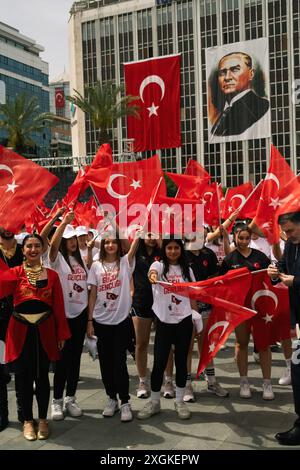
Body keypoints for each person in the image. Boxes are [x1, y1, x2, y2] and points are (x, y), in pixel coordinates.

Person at [0, 234, 70, 441]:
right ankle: (28, 421)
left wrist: (62, 333)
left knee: (41, 377)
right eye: (28, 246)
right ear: (23, 250)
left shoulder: (52, 275)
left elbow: (58, 306)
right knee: (22, 378)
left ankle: (42, 420)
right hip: (19, 331)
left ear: (42, 249)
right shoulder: (14, 273)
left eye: (37, 246)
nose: (32, 249)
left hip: (44, 331)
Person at [137, 237, 198, 421]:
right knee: (159, 363)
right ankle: (155, 402)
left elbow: (193, 292)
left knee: (181, 361)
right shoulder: (158, 265)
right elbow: (152, 275)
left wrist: (195, 315)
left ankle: (180, 401)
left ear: (181, 250)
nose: (173, 251)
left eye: (176, 248)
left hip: (184, 320)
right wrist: (154, 278)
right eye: (169, 248)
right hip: (164, 321)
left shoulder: (187, 269)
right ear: (165, 250)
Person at [87, 233, 139, 422]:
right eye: (106, 242)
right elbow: (92, 294)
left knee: (119, 362)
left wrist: (116, 223)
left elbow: (133, 245)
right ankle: (111, 399)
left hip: (121, 322)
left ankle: (125, 401)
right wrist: (90, 321)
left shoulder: (126, 262)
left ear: (118, 245)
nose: (110, 245)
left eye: (113, 242)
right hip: (100, 322)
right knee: (106, 363)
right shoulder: (95, 266)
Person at [219, 224, 274, 400]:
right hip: (240, 309)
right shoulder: (229, 259)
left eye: (246, 238)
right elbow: (222, 285)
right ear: (234, 237)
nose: (243, 241)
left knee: (263, 345)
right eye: (240, 238)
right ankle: (244, 381)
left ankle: (267, 383)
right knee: (241, 343)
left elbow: (271, 279)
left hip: (260, 307)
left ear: (250, 238)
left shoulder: (261, 257)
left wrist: (273, 273)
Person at [49, 211, 89, 421]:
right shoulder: (57, 261)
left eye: (74, 238)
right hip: (63, 317)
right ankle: (56, 401)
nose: (72, 242)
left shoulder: (80, 260)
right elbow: (53, 247)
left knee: (75, 360)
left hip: (80, 316)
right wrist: (63, 223)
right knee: (62, 361)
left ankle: (70, 399)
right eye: (68, 239)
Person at [267, 211, 300, 445]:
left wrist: (295, 281)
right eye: (285, 232)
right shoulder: (289, 245)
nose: (287, 236)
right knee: (298, 374)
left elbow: (294, 278)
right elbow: (283, 269)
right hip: (298, 321)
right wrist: (274, 274)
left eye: (290, 230)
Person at [210, 52, 269, 137]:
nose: (227, 77)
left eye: (235, 69)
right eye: (223, 72)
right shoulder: (225, 110)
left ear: (251, 74)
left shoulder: (261, 105)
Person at [130, 233, 161, 399]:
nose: (152, 237)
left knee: (165, 345)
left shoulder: (163, 251)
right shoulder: (135, 251)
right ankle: (143, 380)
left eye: (155, 234)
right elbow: (125, 246)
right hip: (141, 301)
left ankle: (168, 380)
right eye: (148, 234)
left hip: (162, 302)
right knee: (141, 344)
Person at [0, 227, 24, 431]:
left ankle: (25, 415)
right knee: (0, 368)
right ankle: (2, 414)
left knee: (21, 368)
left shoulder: (26, 250)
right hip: (0, 318)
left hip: (22, 316)